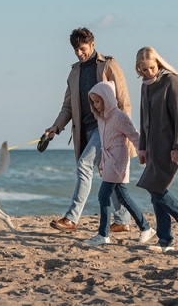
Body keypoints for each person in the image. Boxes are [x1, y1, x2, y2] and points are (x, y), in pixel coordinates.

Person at [45, 27, 131, 233]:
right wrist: (56, 126)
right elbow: (67, 106)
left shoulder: (108, 65)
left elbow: (123, 101)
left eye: (83, 49)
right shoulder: (74, 72)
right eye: (76, 50)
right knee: (108, 172)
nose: (79, 53)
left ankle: (72, 218)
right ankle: (122, 220)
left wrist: (124, 131)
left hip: (107, 128)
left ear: (92, 45)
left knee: (84, 165)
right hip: (84, 131)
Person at [134, 46, 178, 251]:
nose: (148, 73)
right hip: (151, 149)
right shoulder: (145, 86)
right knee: (155, 191)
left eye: (151, 68)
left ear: (158, 64)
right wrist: (142, 147)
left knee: (156, 187)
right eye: (143, 70)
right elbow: (143, 118)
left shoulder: (172, 82)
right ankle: (165, 241)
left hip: (168, 146)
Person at [84, 81, 156, 246]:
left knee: (104, 195)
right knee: (123, 197)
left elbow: (134, 135)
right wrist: (102, 164)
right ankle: (145, 227)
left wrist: (141, 153)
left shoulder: (119, 116)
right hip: (109, 159)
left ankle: (103, 234)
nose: (95, 104)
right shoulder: (101, 119)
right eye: (93, 102)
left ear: (107, 98)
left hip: (119, 159)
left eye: (98, 101)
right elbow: (103, 142)